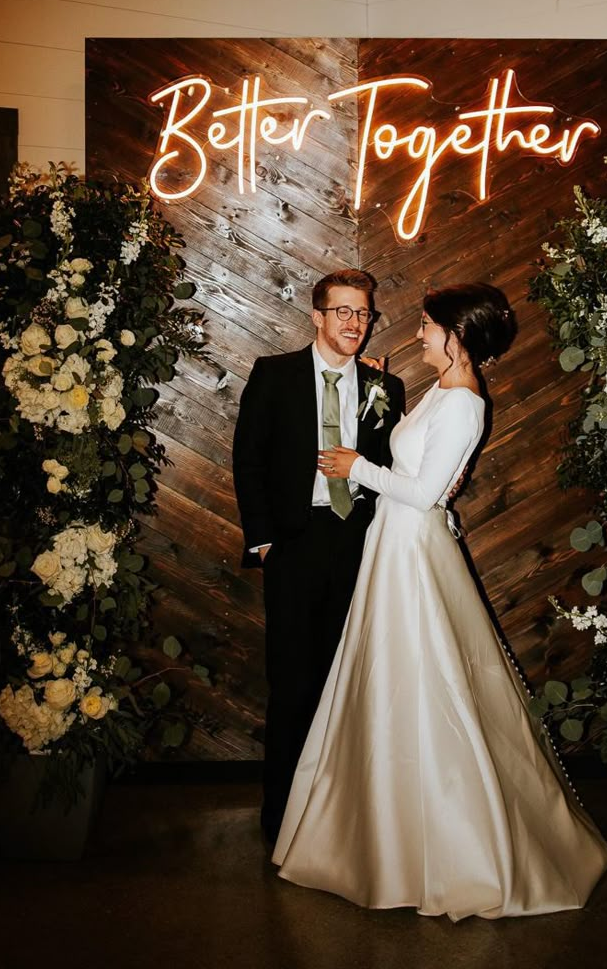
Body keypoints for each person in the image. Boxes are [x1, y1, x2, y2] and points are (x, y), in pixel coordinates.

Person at [272, 282, 607, 920]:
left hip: (411, 551)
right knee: (394, 681)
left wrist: (355, 467)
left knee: (422, 685)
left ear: (457, 337)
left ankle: (443, 844)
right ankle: (384, 829)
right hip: (394, 546)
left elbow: (426, 492)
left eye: (429, 326)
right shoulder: (442, 391)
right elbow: (411, 454)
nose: (418, 333)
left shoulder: (464, 405)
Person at [233, 269, 405, 844]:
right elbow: (248, 460)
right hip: (295, 542)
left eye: (364, 313)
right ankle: (280, 815)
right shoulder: (274, 374)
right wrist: (264, 541)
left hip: (357, 542)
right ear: (317, 315)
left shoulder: (387, 387)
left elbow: (389, 469)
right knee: (293, 682)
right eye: (344, 312)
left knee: (348, 679)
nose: (356, 323)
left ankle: (338, 811)